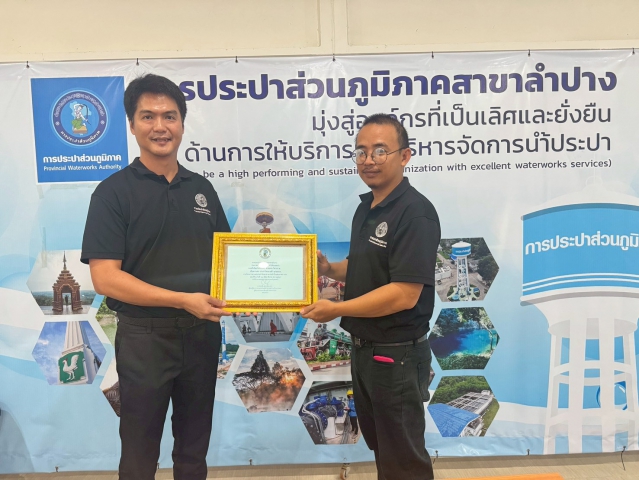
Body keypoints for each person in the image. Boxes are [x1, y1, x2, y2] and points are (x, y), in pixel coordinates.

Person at [81, 74, 231, 480]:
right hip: (145, 340)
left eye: (170, 116)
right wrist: (181, 299)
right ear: (132, 125)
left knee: (193, 450)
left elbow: (227, 263)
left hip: (201, 336)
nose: (160, 126)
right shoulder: (113, 193)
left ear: (182, 123)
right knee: (139, 452)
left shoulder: (202, 189)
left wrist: (271, 277)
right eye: (148, 116)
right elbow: (105, 279)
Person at [301, 114, 440, 480]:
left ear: (405, 156)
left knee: (403, 457)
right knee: (384, 447)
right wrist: (329, 269)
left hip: (396, 354)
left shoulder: (415, 213)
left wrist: (336, 309)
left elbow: (404, 294)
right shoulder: (367, 208)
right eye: (361, 152)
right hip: (365, 351)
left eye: (380, 151)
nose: (368, 160)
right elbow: (363, 266)